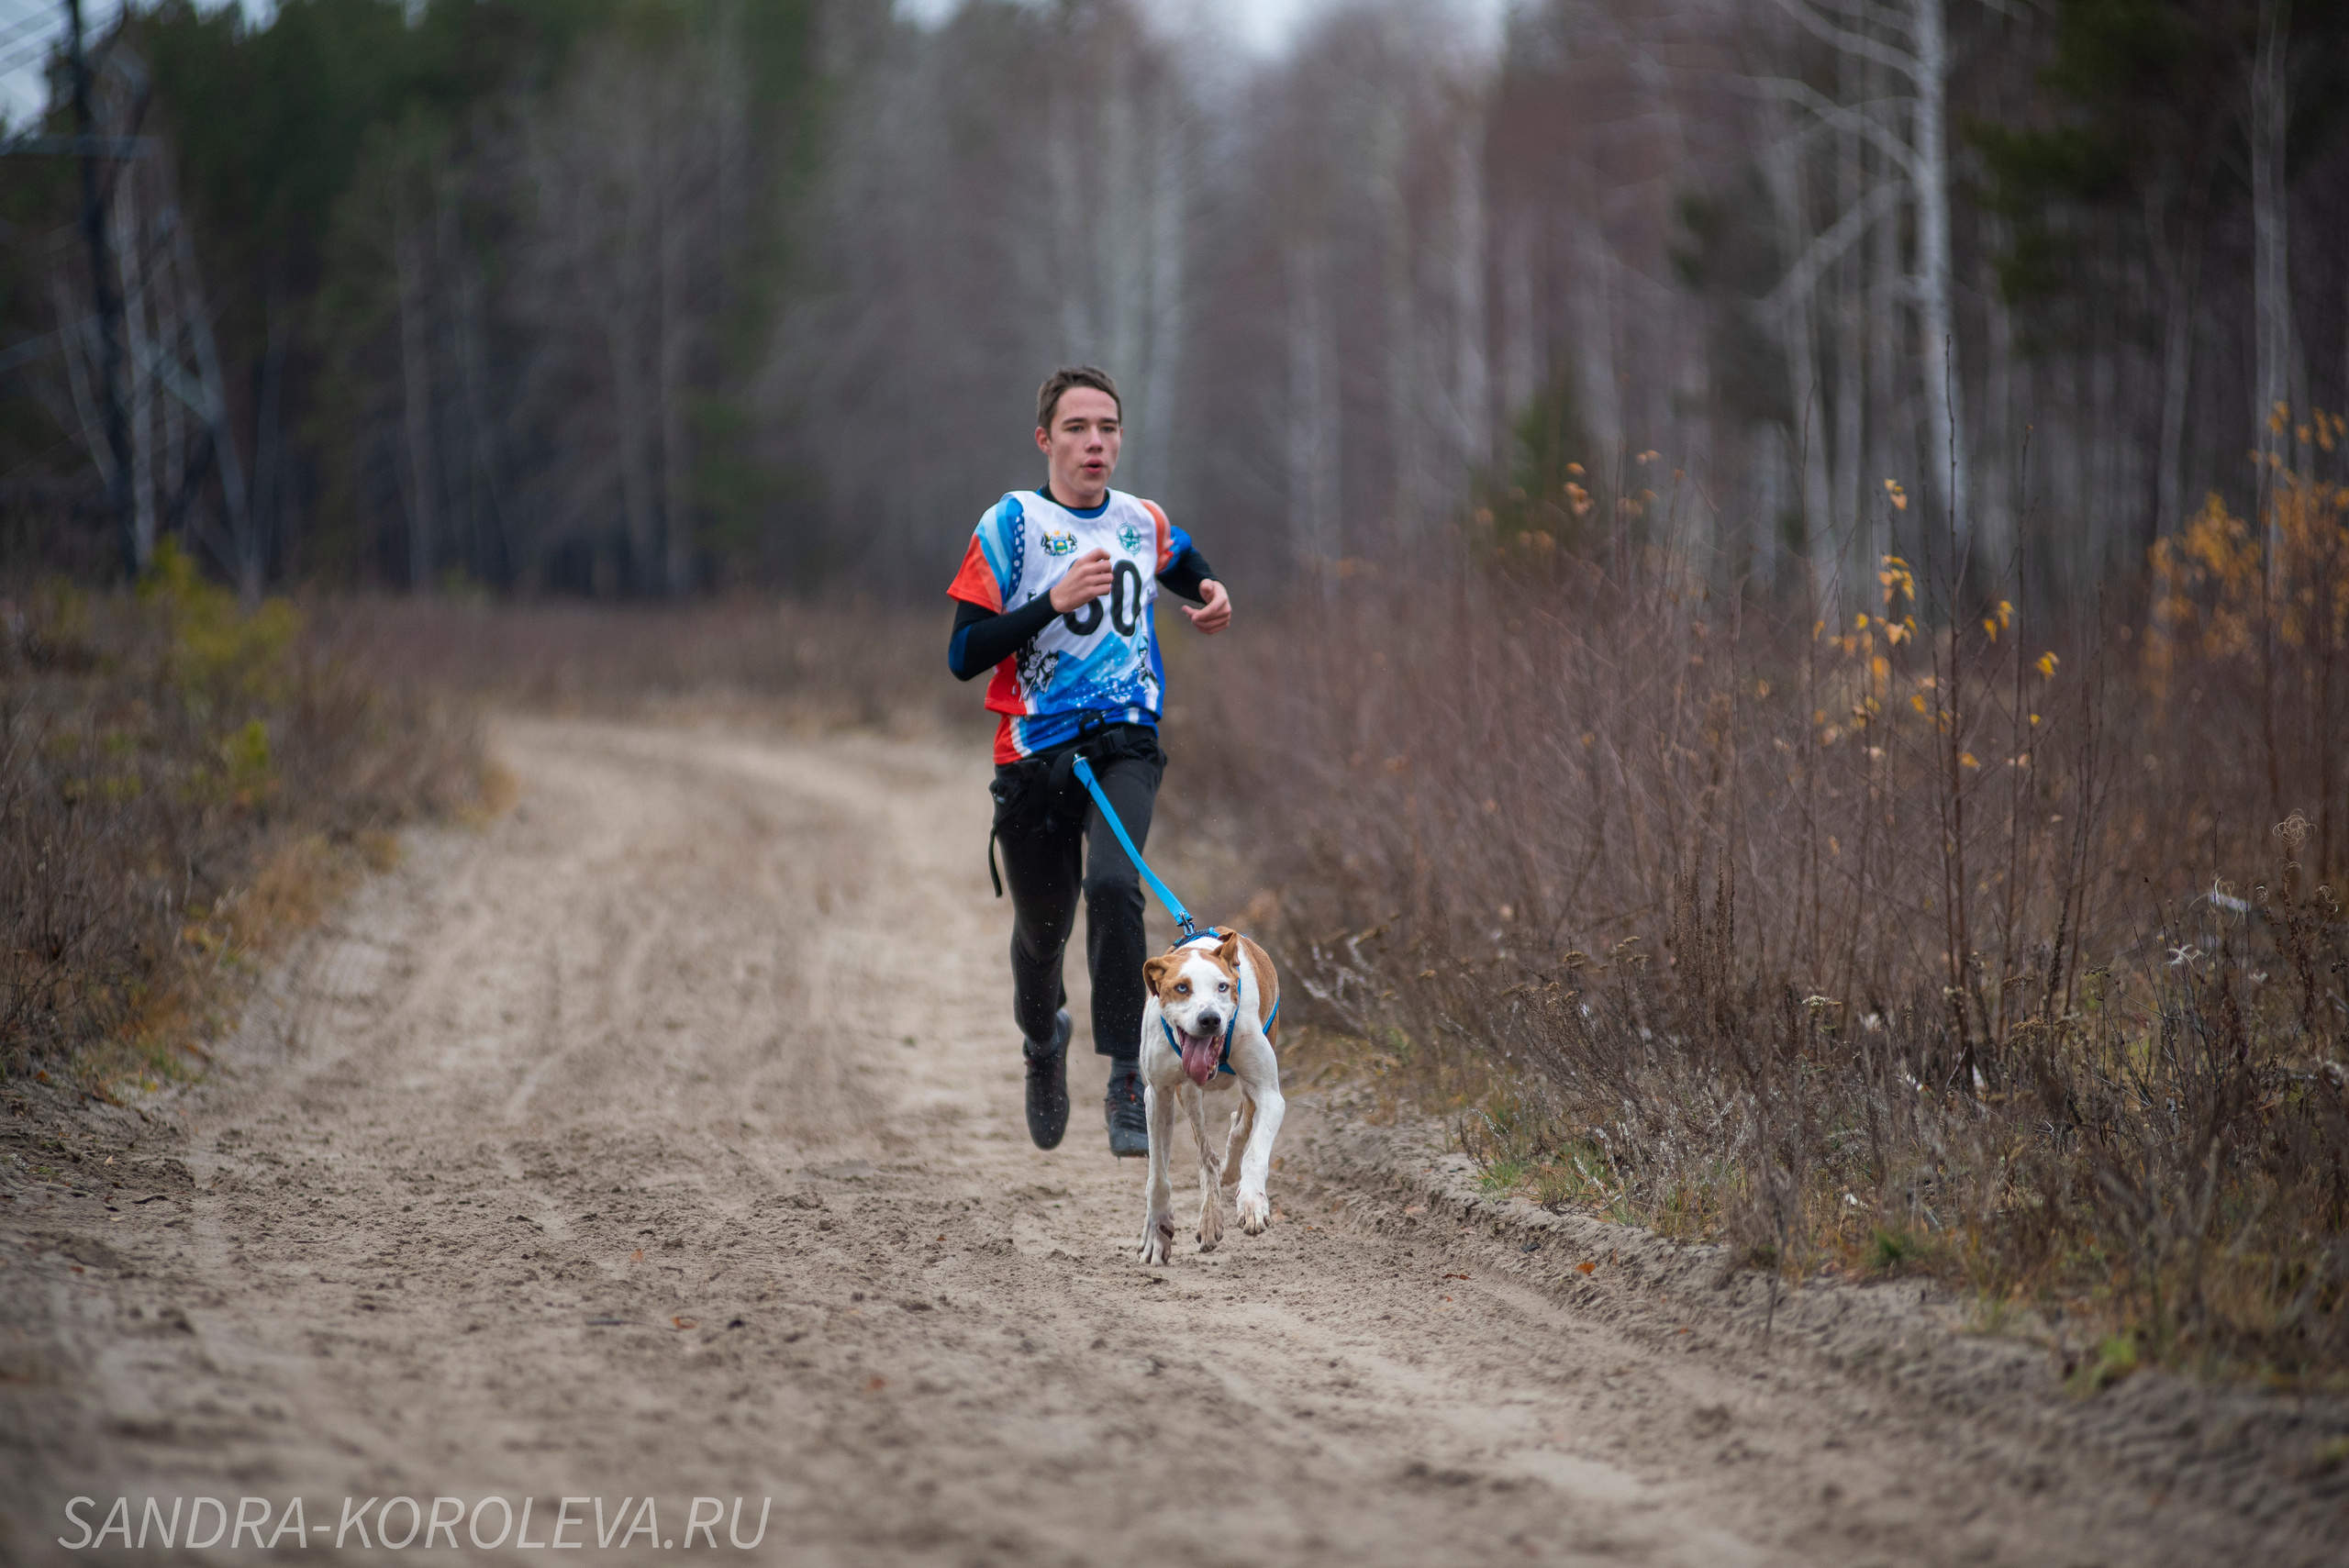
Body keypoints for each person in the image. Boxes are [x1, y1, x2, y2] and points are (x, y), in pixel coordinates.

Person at [946, 366, 1231, 1157]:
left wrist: (1210, 590)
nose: (1095, 442)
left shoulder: (1141, 519)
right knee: (1042, 935)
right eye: (1077, 428)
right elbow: (964, 653)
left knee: (1114, 885)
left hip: (1124, 744)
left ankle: (1125, 1078)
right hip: (1035, 757)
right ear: (1046, 439)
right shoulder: (1013, 526)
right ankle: (1044, 1042)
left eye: (1107, 427)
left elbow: (1184, 560)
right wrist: (1051, 603)